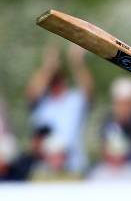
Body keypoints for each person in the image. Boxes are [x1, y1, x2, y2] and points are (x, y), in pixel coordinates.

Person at [26, 44, 93, 173]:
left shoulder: (74, 100)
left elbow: (88, 89)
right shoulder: (42, 103)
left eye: (58, 79)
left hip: (74, 166)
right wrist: (48, 67)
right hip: (46, 168)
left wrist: (76, 62)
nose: (56, 84)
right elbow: (32, 93)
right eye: (53, 80)